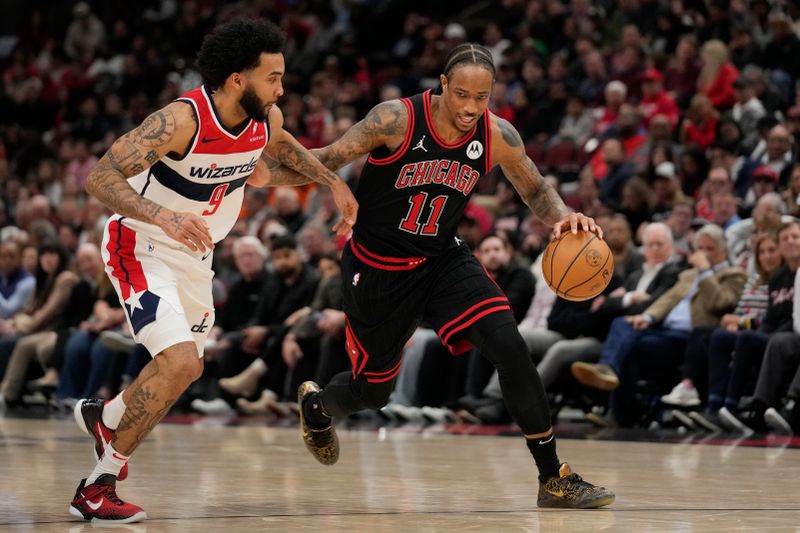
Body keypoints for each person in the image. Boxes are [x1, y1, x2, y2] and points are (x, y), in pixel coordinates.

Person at [270, 43, 614, 508]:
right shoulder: (395, 119)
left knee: (510, 345)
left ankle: (553, 477)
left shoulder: (497, 135)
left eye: (483, 97)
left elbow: (534, 187)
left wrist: (564, 217)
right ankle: (318, 406)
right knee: (372, 393)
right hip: (378, 270)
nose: (472, 107)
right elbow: (327, 158)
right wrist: (256, 172)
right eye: (463, 95)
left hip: (441, 259)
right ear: (444, 85)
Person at [69, 19, 358, 524]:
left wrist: (333, 181)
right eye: (272, 77)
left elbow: (283, 146)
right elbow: (101, 176)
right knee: (180, 364)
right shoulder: (182, 120)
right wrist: (163, 215)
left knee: (185, 369)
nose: (281, 88)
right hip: (142, 243)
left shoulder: (264, 116)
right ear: (237, 80)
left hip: (196, 256)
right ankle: (97, 486)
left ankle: (106, 416)